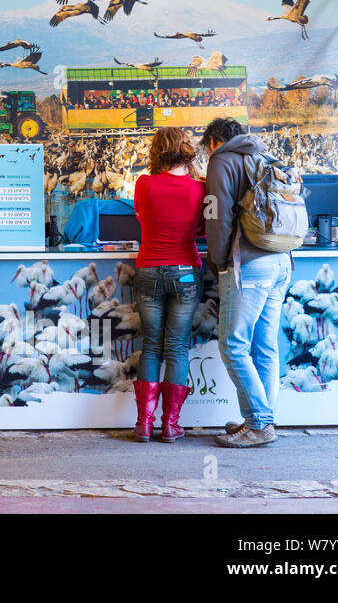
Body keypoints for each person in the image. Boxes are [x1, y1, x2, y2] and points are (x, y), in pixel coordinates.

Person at [202, 117, 292, 448]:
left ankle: (259, 423)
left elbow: (217, 217)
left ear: (213, 140)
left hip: (249, 265)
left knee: (233, 345)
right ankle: (261, 416)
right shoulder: (262, 155)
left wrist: (218, 261)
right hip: (281, 261)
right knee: (264, 345)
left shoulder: (221, 159)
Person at [130, 126, 205, 443]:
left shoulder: (144, 184)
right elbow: (201, 229)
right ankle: (170, 426)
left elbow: (139, 214)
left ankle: (143, 425)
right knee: (176, 348)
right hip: (186, 271)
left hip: (148, 270)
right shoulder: (200, 190)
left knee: (150, 347)